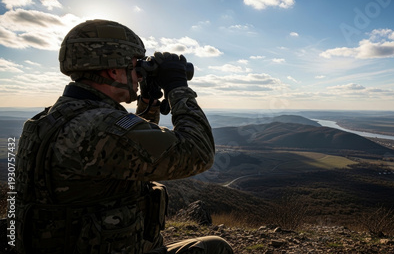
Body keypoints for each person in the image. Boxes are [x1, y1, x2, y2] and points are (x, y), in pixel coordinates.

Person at [14, 19, 234, 254]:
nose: (139, 76)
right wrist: (177, 88)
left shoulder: (49, 119)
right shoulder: (99, 127)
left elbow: (130, 150)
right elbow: (198, 153)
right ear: (113, 69)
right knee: (216, 248)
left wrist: (148, 103)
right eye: (135, 66)